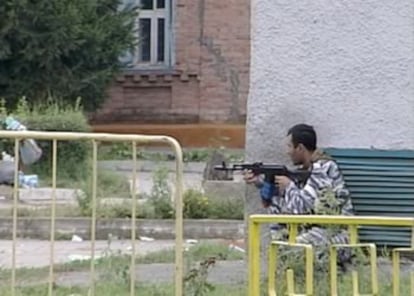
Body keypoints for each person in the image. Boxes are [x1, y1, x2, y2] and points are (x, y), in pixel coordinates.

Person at [244, 123, 354, 268]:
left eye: (290, 146)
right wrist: (262, 184)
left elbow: (302, 208)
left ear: (300, 148)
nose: (287, 152)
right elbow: (289, 206)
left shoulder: (322, 169)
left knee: (292, 250)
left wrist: (289, 186)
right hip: (316, 231)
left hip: (337, 234)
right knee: (281, 243)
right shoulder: (306, 170)